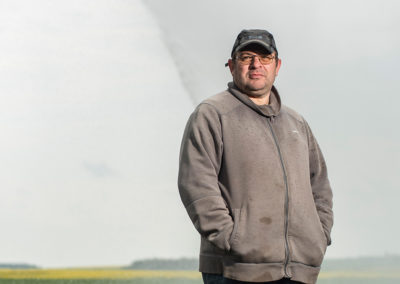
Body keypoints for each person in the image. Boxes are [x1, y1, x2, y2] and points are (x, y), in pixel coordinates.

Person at [178, 29, 333, 284]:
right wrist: (231, 238)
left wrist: (319, 235)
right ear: (231, 65)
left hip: (299, 271)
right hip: (235, 271)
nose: (256, 64)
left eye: (265, 57)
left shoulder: (297, 123)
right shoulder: (211, 114)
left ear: (277, 65)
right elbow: (195, 184)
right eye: (246, 57)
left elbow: (321, 187)